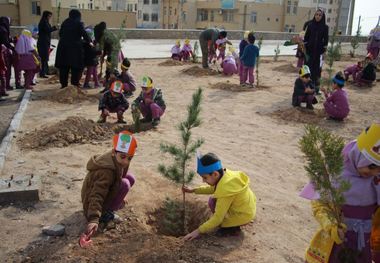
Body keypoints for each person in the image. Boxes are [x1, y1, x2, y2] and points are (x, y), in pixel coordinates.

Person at [302, 123, 380, 263]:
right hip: (336, 241)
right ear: (359, 156)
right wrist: (332, 225)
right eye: (372, 166)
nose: (374, 173)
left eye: (379, 169)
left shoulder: (376, 180)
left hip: (364, 242)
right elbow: (320, 206)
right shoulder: (335, 174)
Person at [183, 152, 256, 240]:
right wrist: (194, 190)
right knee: (213, 201)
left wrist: (198, 231)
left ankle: (231, 229)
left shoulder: (225, 191)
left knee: (213, 202)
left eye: (205, 178)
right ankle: (232, 224)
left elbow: (218, 218)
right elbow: (214, 188)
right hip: (248, 210)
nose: (203, 181)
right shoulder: (227, 176)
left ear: (215, 174)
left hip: (242, 216)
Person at [81, 131, 137, 233]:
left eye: (129, 158)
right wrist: (93, 219)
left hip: (101, 193)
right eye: (123, 157)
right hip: (90, 204)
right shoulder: (106, 171)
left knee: (130, 177)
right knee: (125, 184)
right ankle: (105, 214)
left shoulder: (115, 158)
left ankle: (111, 204)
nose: (126, 161)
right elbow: (96, 194)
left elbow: (121, 174)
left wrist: (120, 196)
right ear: (113, 152)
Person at [55, 9, 92, 89]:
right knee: (75, 67)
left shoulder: (65, 22)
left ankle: (64, 85)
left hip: (63, 48)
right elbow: (84, 34)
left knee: (64, 67)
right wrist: (90, 41)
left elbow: (61, 34)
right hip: (74, 49)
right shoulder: (78, 23)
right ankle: (74, 85)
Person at [304, 9, 329, 94]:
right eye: (316, 14)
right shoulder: (310, 25)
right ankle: (306, 88)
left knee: (317, 71)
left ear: (322, 17)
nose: (318, 16)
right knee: (308, 70)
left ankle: (316, 89)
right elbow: (306, 38)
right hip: (309, 52)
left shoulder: (325, 27)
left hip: (319, 53)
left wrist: (324, 52)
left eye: (319, 15)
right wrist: (304, 47)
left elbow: (325, 41)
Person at [37, 11, 58, 78]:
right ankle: (42, 73)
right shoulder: (43, 22)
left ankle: (46, 71)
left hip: (46, 42)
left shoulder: (45, 22)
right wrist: (54, 28)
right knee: (43, 58)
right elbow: (47, 30)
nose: (50, 17)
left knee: (46, 57)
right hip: (43, 42)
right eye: (49, 16)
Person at [0, 16, 16, 91]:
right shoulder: (3, 30)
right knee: (6, 69)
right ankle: (6, 87)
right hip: (4, 53)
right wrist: (13, 48)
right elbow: (6, 42)